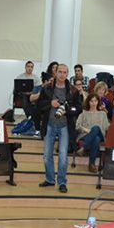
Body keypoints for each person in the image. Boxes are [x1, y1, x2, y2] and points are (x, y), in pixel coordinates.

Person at [37, 64, 81, 194]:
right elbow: (39, 106)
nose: (62, 74)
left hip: (65, 127)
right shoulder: (47, 89)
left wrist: (68, 110)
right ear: (55, 73)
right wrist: (50, 104)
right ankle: (50, 179)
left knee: (63, 156)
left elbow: (78, 109)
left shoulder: (73, 91)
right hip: (49, 125)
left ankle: (62, 182)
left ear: (68, 74)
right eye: (60, 72)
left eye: (65, 72)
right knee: (46, 156)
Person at [75, 93, 110, 172]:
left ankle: (84, 148)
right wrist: (86, 130)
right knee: (96, 139)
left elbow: (106, 127)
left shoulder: (103, 114)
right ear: (88, 102)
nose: (94, 103)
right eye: (91, 101)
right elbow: (77, 126)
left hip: (101, 135)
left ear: (98, 102)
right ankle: (92, 164)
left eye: (95, 101)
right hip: (85, 135)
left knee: (96, 128)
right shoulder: (83, 113)